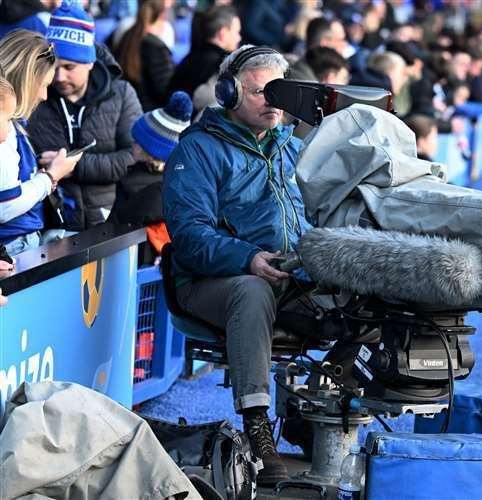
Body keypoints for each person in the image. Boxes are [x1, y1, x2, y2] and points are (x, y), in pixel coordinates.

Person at [163, 45, 312, 487]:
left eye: (280, 92)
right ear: (228, 93)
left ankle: (313, 411)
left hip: (290, 275)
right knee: (252, 288)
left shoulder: (297, 148)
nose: (273, 102)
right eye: (260, 92)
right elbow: (189, 237)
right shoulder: (198, 150)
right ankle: (257, 423)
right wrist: (247, 257)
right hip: (212, 280)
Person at [29, 2, 143, 231]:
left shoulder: (121, 94)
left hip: (112, 223)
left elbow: (136, 158)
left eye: (69, 67)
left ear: (90, 62)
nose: (59, 77)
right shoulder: (35, 98)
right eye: (54, 67)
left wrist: (76, 167)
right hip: (53, 229)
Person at [0, 31, 80, 256]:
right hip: (13, 245)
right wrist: (50, 177)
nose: (45, 95)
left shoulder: (14, 124)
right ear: (26, 79)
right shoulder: (4, 133)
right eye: (43, 84)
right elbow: (5, 206)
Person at [110, 90, 192, 264]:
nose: (132, 143)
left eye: (137, 141)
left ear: (152, 150)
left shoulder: (135, 186)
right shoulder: (185, 184)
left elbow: (113, 229)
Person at [168, 4, 241, 97]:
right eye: (237, 32)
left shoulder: (190, 58)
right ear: (223, 33)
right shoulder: (220, 65)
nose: (239, 38)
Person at [114, 0, 175, 111]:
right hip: (150, 115)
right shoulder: (156, 48)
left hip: (126, 109)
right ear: (162, 15)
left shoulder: (126, 36)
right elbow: (166, 92)